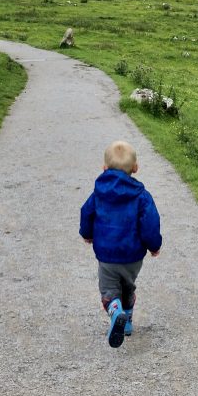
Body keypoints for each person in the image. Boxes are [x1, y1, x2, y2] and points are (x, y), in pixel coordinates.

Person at [79, 140, 162, 348]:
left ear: (104, 168)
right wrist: (154, 245)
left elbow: (86, 212)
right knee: (128, 286)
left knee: (109, 290)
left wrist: (87, 234)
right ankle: (126, 323)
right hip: (133, 255)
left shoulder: (99, 193)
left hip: (107, 255)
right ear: (135, 168)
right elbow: (151, 222)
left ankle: (116, 312)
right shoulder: (142, 196)